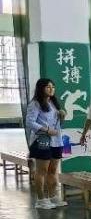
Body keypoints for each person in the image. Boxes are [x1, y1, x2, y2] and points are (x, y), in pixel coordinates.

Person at [25, 78, 67, 210]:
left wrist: (62, 116)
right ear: (41, 88)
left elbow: (58, 124)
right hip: (42, 140)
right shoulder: (35, 104)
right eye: (48, 87)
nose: (51, 89)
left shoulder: (53, 103)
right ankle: (41, 199)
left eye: (53, 87)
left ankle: (53, 197)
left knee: (53, 170)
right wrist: (47, 130)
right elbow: (30, 122)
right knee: (42, 171)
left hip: (56, 141)